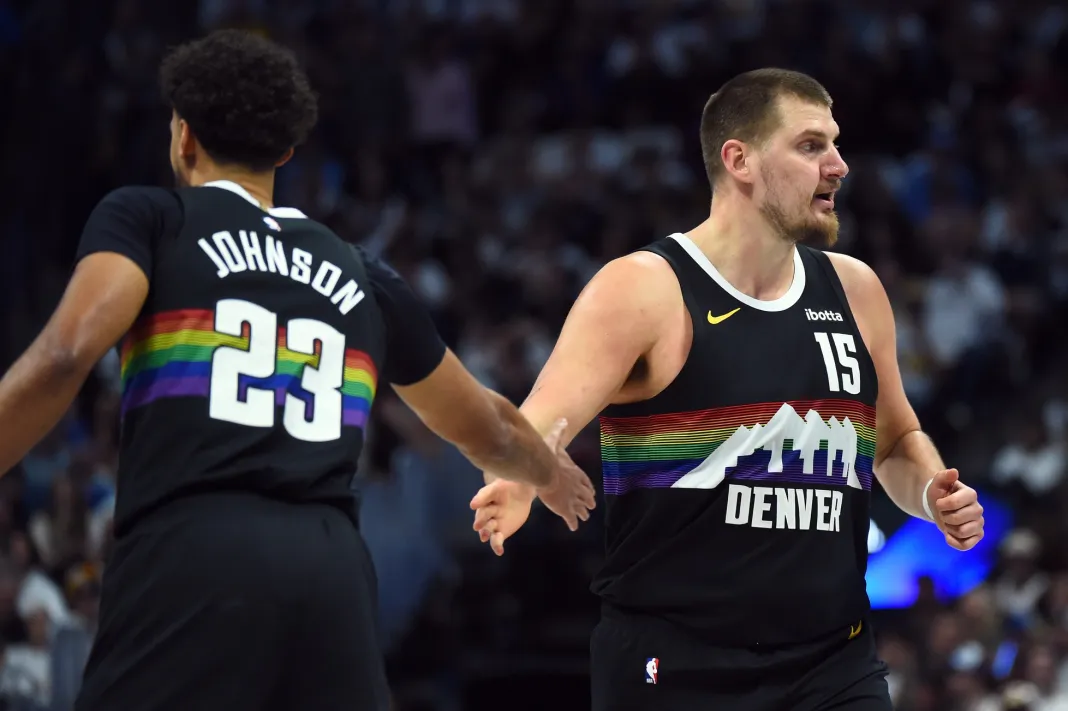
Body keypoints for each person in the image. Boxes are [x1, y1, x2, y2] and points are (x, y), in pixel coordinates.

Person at [0, 30, 595, 711]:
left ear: (183, 138)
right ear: (284, 152)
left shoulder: (150, 218)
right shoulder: (364, 273)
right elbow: (486, 425)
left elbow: (65, 353)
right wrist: (547, 472)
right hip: (330, 569)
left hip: (194, 548)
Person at [470, 68, 986, 711]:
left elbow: (893, 440)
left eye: (835, 143)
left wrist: (933, 493)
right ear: (739, 159)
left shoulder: (855, 289)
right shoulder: (646, 288)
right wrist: (522, 479)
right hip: (679, 668)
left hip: (834, 664)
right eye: (810, 146)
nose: (840, 166)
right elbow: (543, 417)